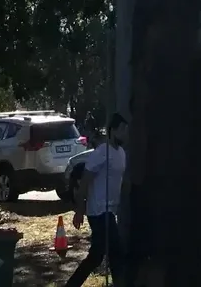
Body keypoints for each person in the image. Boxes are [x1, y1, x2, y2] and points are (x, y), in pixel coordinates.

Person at [67, 112, 127, 285]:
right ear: (113, 131)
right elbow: (85, 181)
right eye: (122, 129)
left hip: (110, 210)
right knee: (115, 251)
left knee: (97, 256)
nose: (125, 133)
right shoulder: (102, 152)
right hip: (98, 210)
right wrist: (80, 210)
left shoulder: (121, 153)